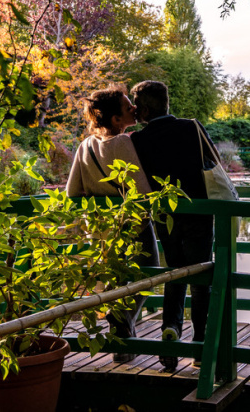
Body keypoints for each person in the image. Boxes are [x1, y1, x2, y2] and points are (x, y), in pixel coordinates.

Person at [66, 85, 160, 359]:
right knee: (149, 275)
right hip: (133, 226)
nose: (133, 108)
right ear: (117, 120)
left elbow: (72, 193)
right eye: (128, 106)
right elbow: (142, 192)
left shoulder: (85, 146)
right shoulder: (124, 142)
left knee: (114, 284)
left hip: (101, 229)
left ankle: (123, 345)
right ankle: (121, 320)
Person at [129, 80, 215, 371]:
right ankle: (200, 345)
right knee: (201, 277)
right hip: (199, 211)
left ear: (143, 108)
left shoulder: (138, 140)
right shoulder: (191, 127)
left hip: (165, 215)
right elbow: (212, 161)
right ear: (166, 102)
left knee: (174, 272)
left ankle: (171, 333)